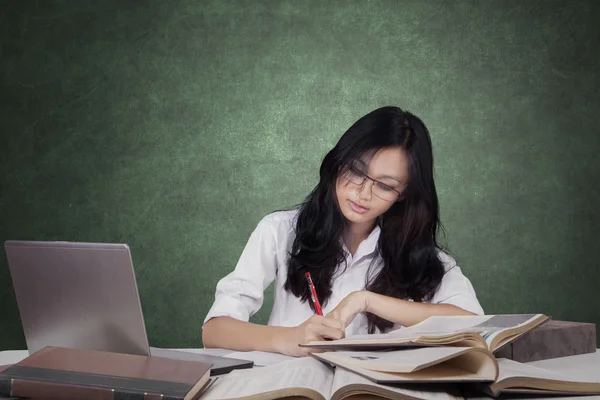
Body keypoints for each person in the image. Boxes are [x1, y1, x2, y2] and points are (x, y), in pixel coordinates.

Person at [202, 106, 484, 356]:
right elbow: (214, 332)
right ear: (338, 162)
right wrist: (289, 338)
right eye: (356, 172)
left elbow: (473, 325)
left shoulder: (422, 256)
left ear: (403, 194)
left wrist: (365, 301)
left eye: (384, 186)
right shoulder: (280, 231)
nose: (363, 193)